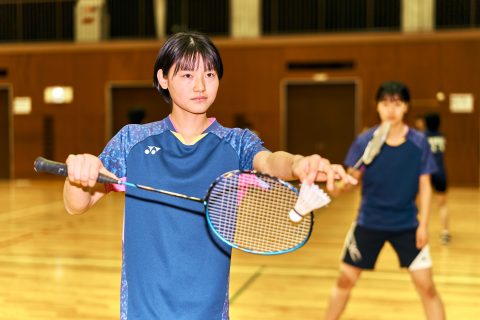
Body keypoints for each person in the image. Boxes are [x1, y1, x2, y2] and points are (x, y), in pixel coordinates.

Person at [63, 31, 356, 320]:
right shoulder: (132, 141)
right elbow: (76, 204)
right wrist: (78, 174)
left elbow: (270, 162)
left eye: (210, 74)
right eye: (187, 75)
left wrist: (298, 165)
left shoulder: (236, 143)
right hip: (144, 312)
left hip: (209, 313)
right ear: (163, 78)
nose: (201, 85)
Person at [324, 81, 445, 320]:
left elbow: (425, 185)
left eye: (397, 103)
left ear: (406, 107)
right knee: (345, 280)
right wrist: (338, 187)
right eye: (385, 103)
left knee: (427, 287)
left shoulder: (419, 143)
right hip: (369, 222)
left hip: (407, 224)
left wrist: (424, 225)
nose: (391, 109)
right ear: (377, 107)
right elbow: (352, 179)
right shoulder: (364, 141)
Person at [424, 112, 450, 245]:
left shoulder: (422, 137)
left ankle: (421, 230)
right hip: (440, 173)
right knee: (442, 205)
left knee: (422, 204)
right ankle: (445, 233)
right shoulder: (442, 136)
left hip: (427, 174)